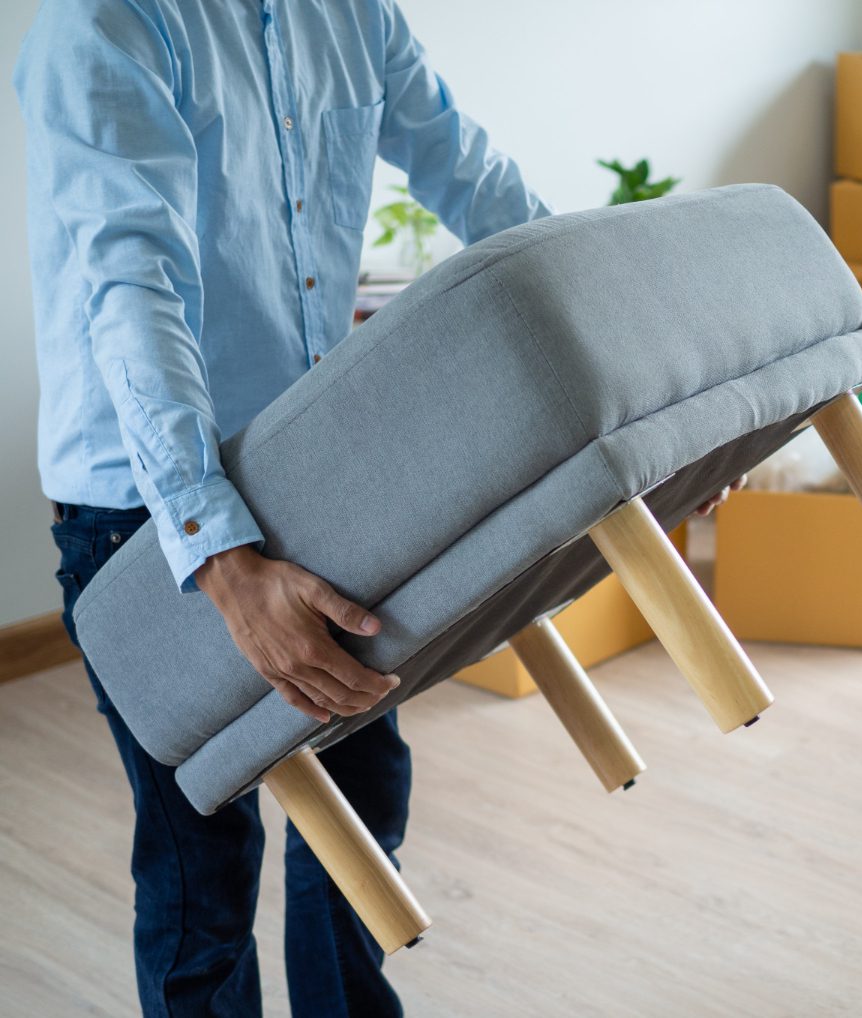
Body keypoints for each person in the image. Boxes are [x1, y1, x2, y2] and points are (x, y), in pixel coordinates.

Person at [16, 1, 737, 1014]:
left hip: (305, 468)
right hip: (147, 507)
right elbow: (135, 281)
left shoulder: (349, 11)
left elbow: (475, 177)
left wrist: (637, 360)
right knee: (200, 873)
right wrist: (219, 554)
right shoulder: (104, 24)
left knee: (363, 793)